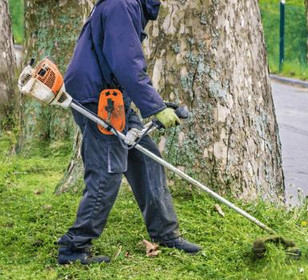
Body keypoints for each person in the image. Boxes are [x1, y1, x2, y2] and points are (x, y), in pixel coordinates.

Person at [57, 0, 201, 265]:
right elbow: (127, 63)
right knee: (107, 170)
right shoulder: (121, 4)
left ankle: (165, 233)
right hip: (96, 97)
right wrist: (155, 107)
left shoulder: (129, 4)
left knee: (146, 157)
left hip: (111, 95)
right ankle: (73, 248)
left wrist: (152, 104)